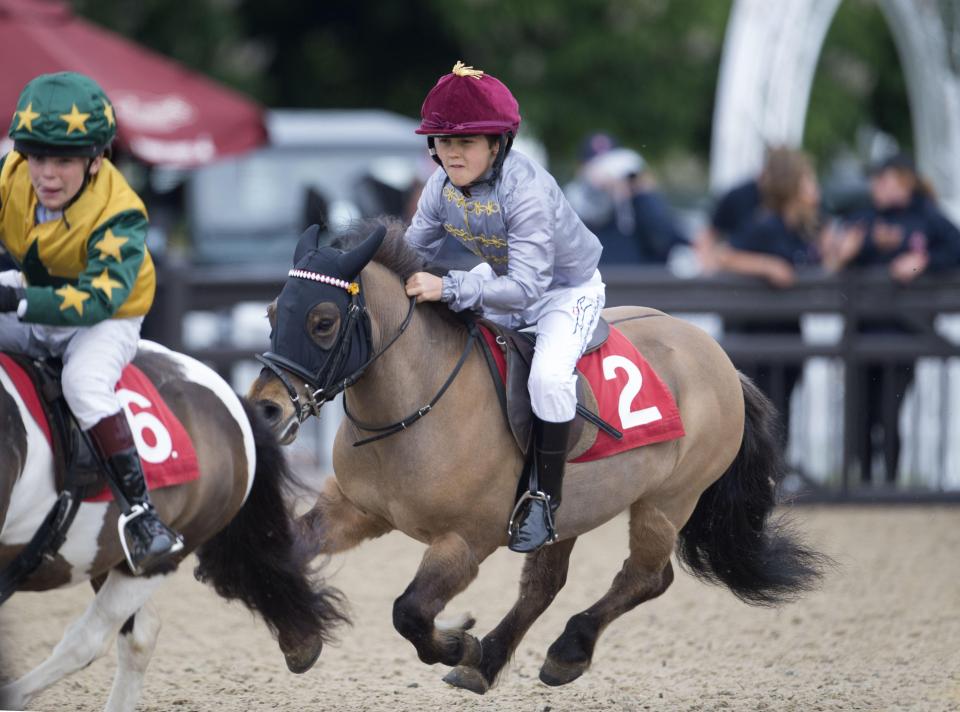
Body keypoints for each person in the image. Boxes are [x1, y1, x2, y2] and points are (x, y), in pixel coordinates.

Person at [402, 62, 605, 553]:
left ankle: (543, 499)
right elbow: (408, 252)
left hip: (563, 291)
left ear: (498, 144)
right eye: (443, 141)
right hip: (501, 278)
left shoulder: (527, 190)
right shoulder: (440, 187)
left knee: (548, 380)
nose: (452, 152)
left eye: (466, 142)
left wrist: (449, 287)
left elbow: (527, 290)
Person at [0, 72, 182, 573]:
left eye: (64, 160)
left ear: (96, 159)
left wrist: (14, 294)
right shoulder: (10, 175)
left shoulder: (122, 212)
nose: (47, 175)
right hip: (34, 294)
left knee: (83, 385)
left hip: (106, 315)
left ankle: (142, 516)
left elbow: (95, 300)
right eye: (38, 157)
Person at [823, 153, 960, 482]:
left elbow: (954, 249)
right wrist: (853, 250)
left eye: (885, 180)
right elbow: (839, 261)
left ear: (905, 181)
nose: (877, 187)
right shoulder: (864, 218)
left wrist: (921, 262)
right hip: (862, 331)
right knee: (860, 413)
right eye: (876, 180)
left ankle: (890, 482)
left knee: (889, 411)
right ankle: (864, 481)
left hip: (905, 333)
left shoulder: (929, 217)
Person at [715, 148, 823, 438]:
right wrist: (767, 265)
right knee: (760, 425)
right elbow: (725, 256)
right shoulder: (765, 225)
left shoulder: (801, 228)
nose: (815, 187)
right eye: (808, 180)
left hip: (787, 336)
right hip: (757, 338)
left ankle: (779, 479)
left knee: (780, 420)